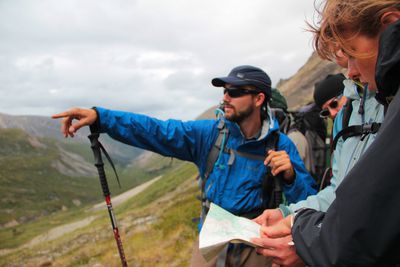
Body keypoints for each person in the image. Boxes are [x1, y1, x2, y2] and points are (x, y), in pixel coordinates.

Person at [52, 65, 317, 266]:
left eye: (234, 92)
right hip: (210, 240)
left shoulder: (282, 145)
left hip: (256, 248)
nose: (225, 97)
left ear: (259, 99)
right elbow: (157, 131)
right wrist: (102, 118)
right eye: (224, 91)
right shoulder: (210, 135)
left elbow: (308, 203)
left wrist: (292, 177)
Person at [251, 1, 400, 266]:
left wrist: (303, 236)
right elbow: (340, 191)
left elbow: (365, 230)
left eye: (350, 52)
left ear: (390, 25)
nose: (350, 71)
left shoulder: (389, 96)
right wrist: (291, 214)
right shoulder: (350, 111)